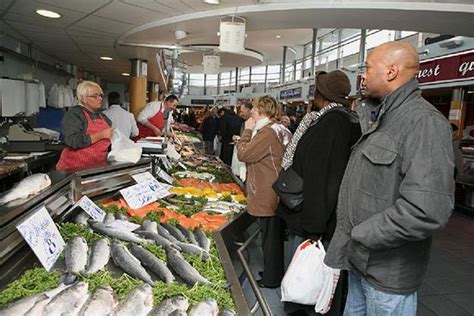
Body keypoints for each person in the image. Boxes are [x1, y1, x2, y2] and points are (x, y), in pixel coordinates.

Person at [325, 41, 455, 316]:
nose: (363, 75)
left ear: (392, 71)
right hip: (360, 264)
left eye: (369, 67)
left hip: (387, 276)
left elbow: (426, 210)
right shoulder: (381, 117)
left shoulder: (423, 123)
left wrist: (362, 234)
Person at [278, 70, 361, 315]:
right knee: (323, 286)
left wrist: (314, 228)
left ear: (321, 94)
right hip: (329, 218)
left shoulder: (330, 123)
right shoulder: (348, 119)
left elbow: (321, 177)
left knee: (305, 282)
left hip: (313, 221)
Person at [237, 95, 285, 288]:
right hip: (271, 190)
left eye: (255, 109)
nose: (252, 112)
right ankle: (272, 273)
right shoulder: (271, 129)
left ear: (263, 111)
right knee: (270, 236)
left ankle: (271, 279)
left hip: (268, 192)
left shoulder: (266, 132)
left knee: (271, 238)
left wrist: (247, 132)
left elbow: (244, 154)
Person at [56, 80, 114, 170]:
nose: (100, 99)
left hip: (96, 167)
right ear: (83, 98)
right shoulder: (74, 114)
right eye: (95, 96)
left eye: (100, 95)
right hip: (73, 169)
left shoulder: (103, 117)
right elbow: (72, 140)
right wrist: (101, 135)